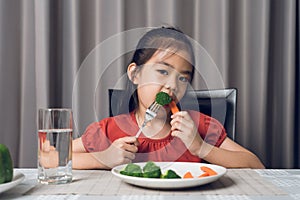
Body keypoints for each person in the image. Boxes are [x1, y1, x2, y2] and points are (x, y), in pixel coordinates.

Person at [72, 26, 265, 169]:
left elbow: (256, 166)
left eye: (182, 78)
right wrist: (103, 158)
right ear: (135, 74)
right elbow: (50, 157)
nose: (172, 85)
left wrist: (200, 147)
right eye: (163, 71)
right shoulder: (110, 130)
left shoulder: (200, 126)